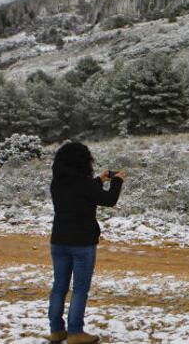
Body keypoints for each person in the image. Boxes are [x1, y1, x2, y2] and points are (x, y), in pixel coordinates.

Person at [46, 142, 125, 344]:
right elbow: (108, 200)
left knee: (59, 286)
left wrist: (100, 179)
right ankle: (75, 332)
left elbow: (83, 192)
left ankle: (56, 330)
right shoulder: (85, 185)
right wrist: (117, 182)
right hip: (82, 243)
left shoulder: (57, 183)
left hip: (59, 240)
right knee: (80, 288)